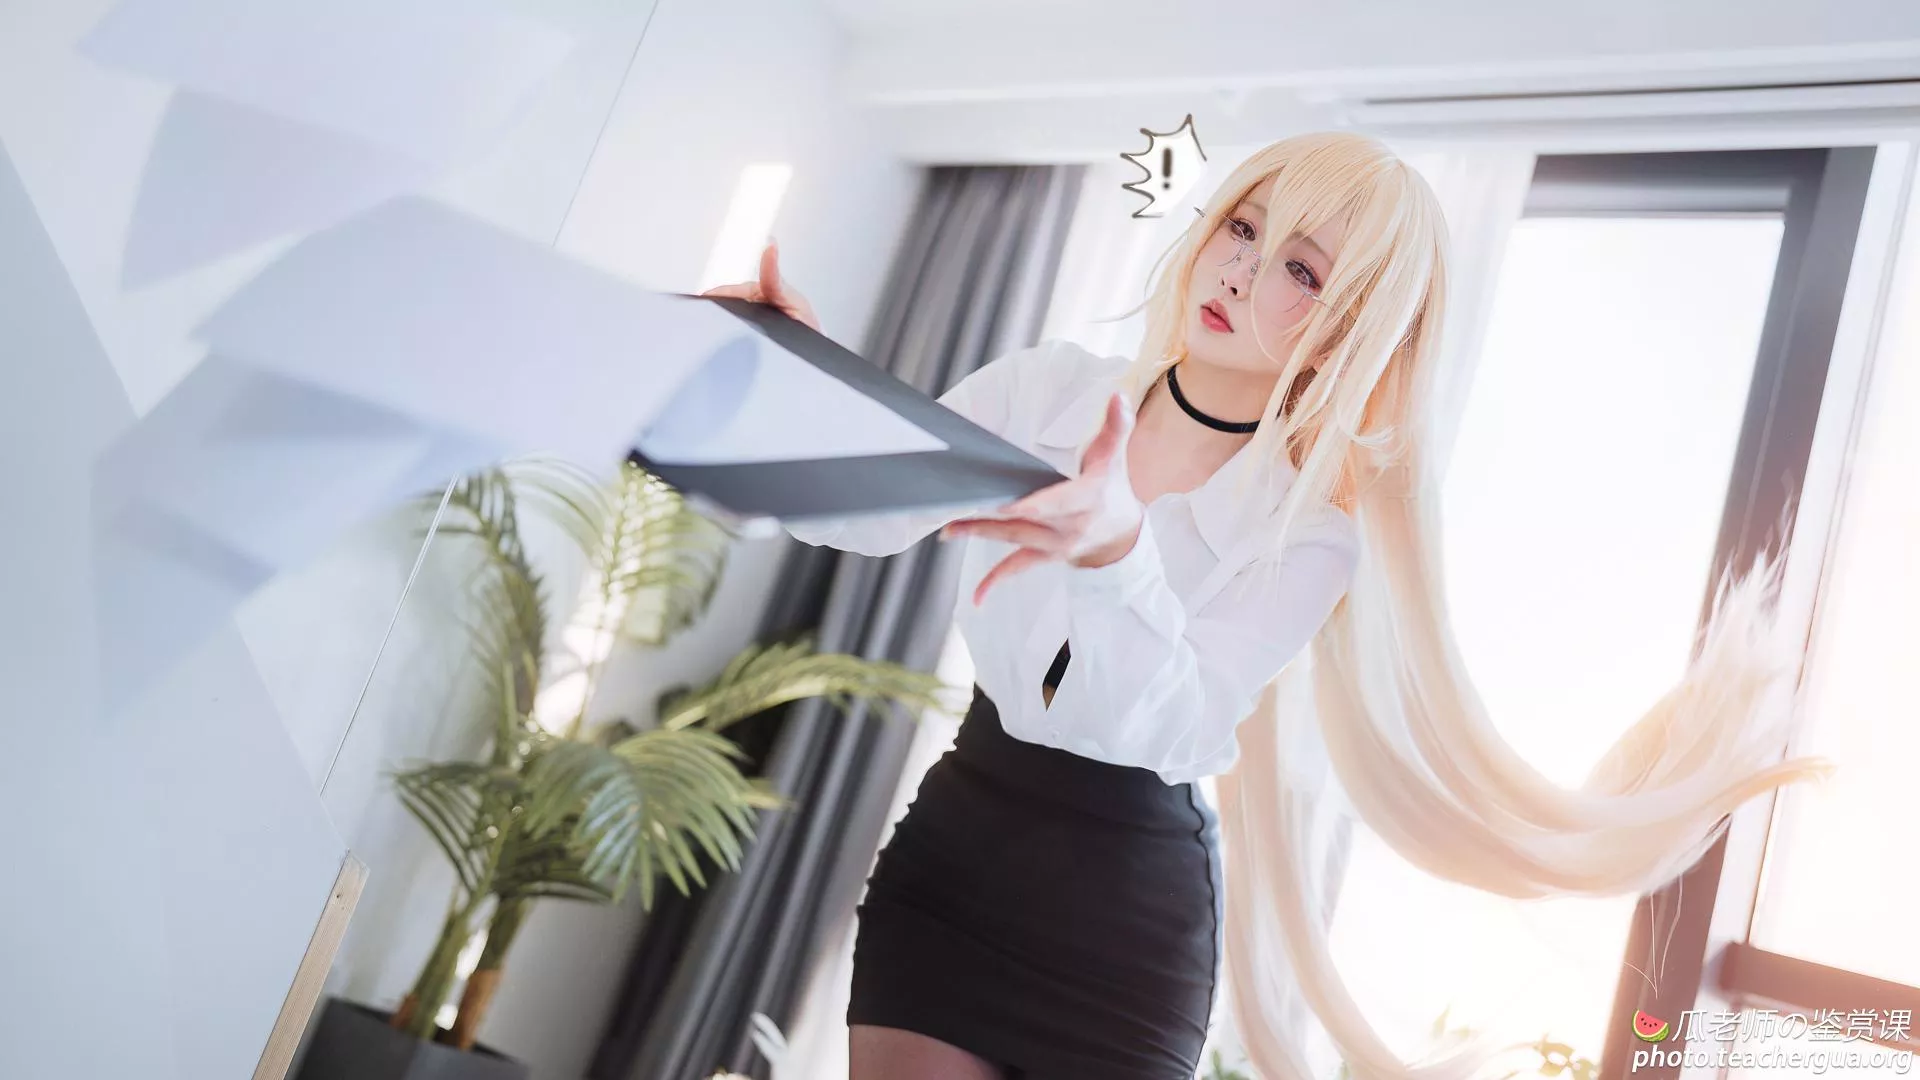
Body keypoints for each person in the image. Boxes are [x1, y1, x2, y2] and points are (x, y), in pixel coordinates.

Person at [705, 133, 1827, 1080]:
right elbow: (860, 512)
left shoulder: (1310, 533)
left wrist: (1118, 549)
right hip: (956, 858)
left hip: (1123, 926)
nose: (1241, 274)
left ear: (1346, 330)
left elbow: (1178, 725)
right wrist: (775, 373)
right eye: (1243, 228)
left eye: (1302, 269)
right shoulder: (1049, 388)